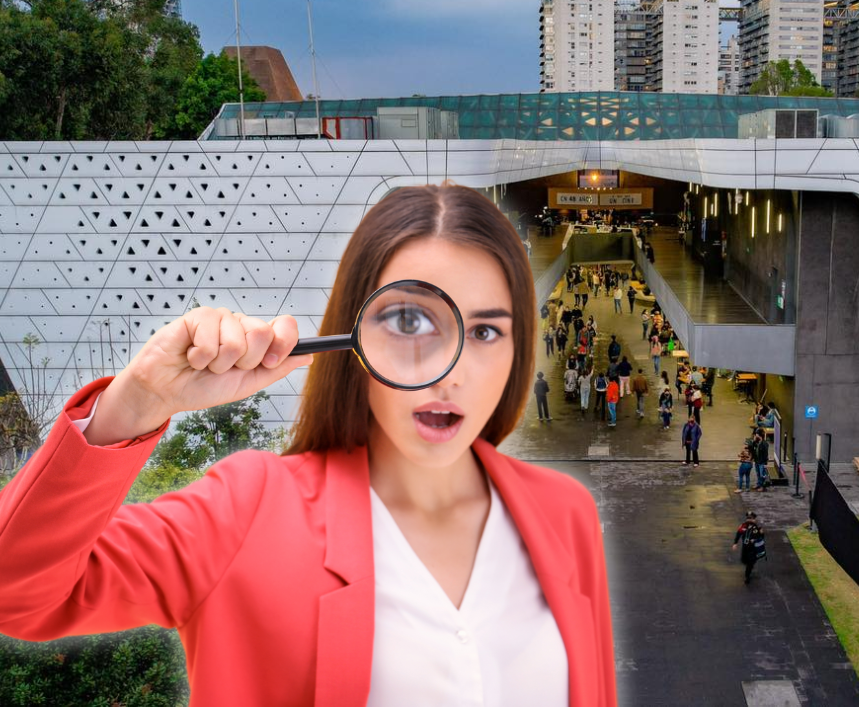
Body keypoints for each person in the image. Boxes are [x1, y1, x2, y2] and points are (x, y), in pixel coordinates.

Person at [0, 182, 616, 705]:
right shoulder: (248, 510)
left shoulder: (563, 515)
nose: (448, 373)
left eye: (485, 330)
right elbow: (16, 590)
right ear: (353, 334)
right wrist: (136, 402)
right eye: (408, 321)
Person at [732, 512, 767, 584]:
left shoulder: (757, 528)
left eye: (751, 518)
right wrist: (735, 543)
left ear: (754, 519)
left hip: (753, 548)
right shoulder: (743, 526)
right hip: (745, 547)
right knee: (744, 560)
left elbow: (761, 539)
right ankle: (749, 567)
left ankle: (747, 576)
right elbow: (738, 534)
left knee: (750, 563)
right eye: (748, 518)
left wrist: (761, 534)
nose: (749, 520)